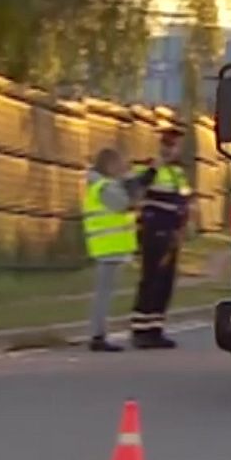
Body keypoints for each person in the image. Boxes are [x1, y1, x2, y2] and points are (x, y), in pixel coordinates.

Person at [84, 147, 156, 353]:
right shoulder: (103, 187)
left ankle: (99, 333)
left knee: (105, 293)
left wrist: (138, 179)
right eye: (118, 164)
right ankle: (97, 335)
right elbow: (125, 203)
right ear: (108, 165)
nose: (121, 168)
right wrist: (135, 183)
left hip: (112, 247)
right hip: (107, 247)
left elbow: (127, 193)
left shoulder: (105, 184)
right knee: (103, 294)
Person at [130, 127, 193, 349]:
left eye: (174, 145)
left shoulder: (178, 173)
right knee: (151, 280)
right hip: (154, 231)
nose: (170, 149)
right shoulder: (150, 167)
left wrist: (183, 226)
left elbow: (184, 201)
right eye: (167, 144)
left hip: (172, 235)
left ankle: (156, 328)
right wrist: (153, 168)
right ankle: (141, 329)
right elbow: (137, 187)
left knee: (166, 283)